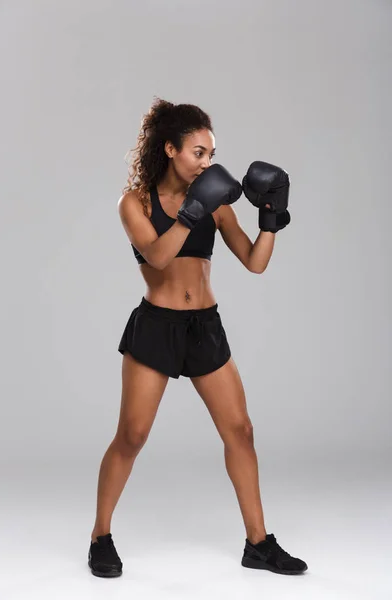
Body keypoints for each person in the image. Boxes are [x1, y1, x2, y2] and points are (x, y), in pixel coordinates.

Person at [88, 97, 307, 578]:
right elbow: (158, 259)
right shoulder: (136, 203)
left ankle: (259, 544)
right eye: (198, 152)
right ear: (170, 149)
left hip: (205, 328)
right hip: (156, 327)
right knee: (132, 435)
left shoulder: (216, 202)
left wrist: (271, 217)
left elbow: (255, 261)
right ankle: (100, 535)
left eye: (212, 154)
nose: (208, 163)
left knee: (240, 431)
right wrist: (194, 209)